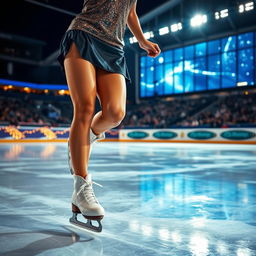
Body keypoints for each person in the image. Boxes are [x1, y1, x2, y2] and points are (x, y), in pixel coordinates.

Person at [56, 0, 161, 232]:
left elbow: (130, 9)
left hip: (114, 45)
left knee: (116, 113)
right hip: (84, 33)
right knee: (84, 106)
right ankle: (81, 187)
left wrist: (142, 40)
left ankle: (83, 140)